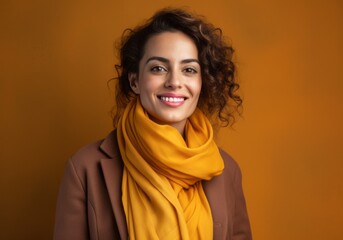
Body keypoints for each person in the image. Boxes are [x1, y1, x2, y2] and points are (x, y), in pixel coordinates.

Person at [54, 8, 252, 240]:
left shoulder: (227, 170)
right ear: (135, 81)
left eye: (189, 70)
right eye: (159, 68)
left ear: (202, 83)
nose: (175, 82)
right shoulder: (83, 168)